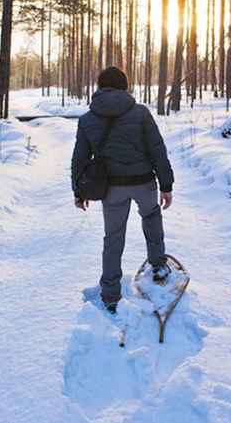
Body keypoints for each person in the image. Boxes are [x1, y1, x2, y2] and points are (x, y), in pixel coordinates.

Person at [71, 67, 174, 314]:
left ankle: (110, 295)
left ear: (100, 86)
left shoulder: (87, 119)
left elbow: (80, 158)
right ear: (125, 86)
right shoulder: (140, 113)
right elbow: (157, 149)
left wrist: (78, 190)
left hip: (112, 188)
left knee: (113, 237)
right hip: (143, 184)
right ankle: (159, 267)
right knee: (151, 218)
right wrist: (166, 184)